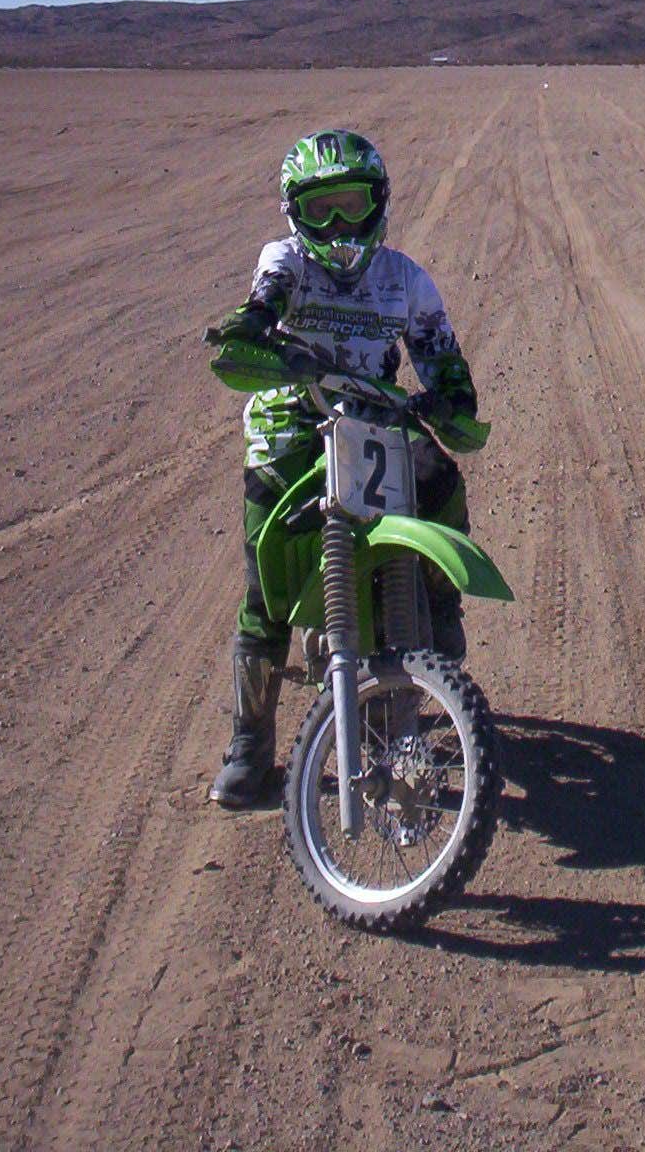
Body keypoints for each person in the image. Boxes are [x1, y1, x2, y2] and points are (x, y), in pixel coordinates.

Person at [206, 129, 480, 809]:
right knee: (264, 581)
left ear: (377, 203)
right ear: (295, 212)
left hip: (375, 426)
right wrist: (255, 336)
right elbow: (262, 304)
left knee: (440, 479)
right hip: (290, 429)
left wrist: (450, 400)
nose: (337, 223)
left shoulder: (405, 279)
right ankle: (249, 747)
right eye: (321, 208)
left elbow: (443, 357)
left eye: (350, 204)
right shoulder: (287, 262)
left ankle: (441, 605)